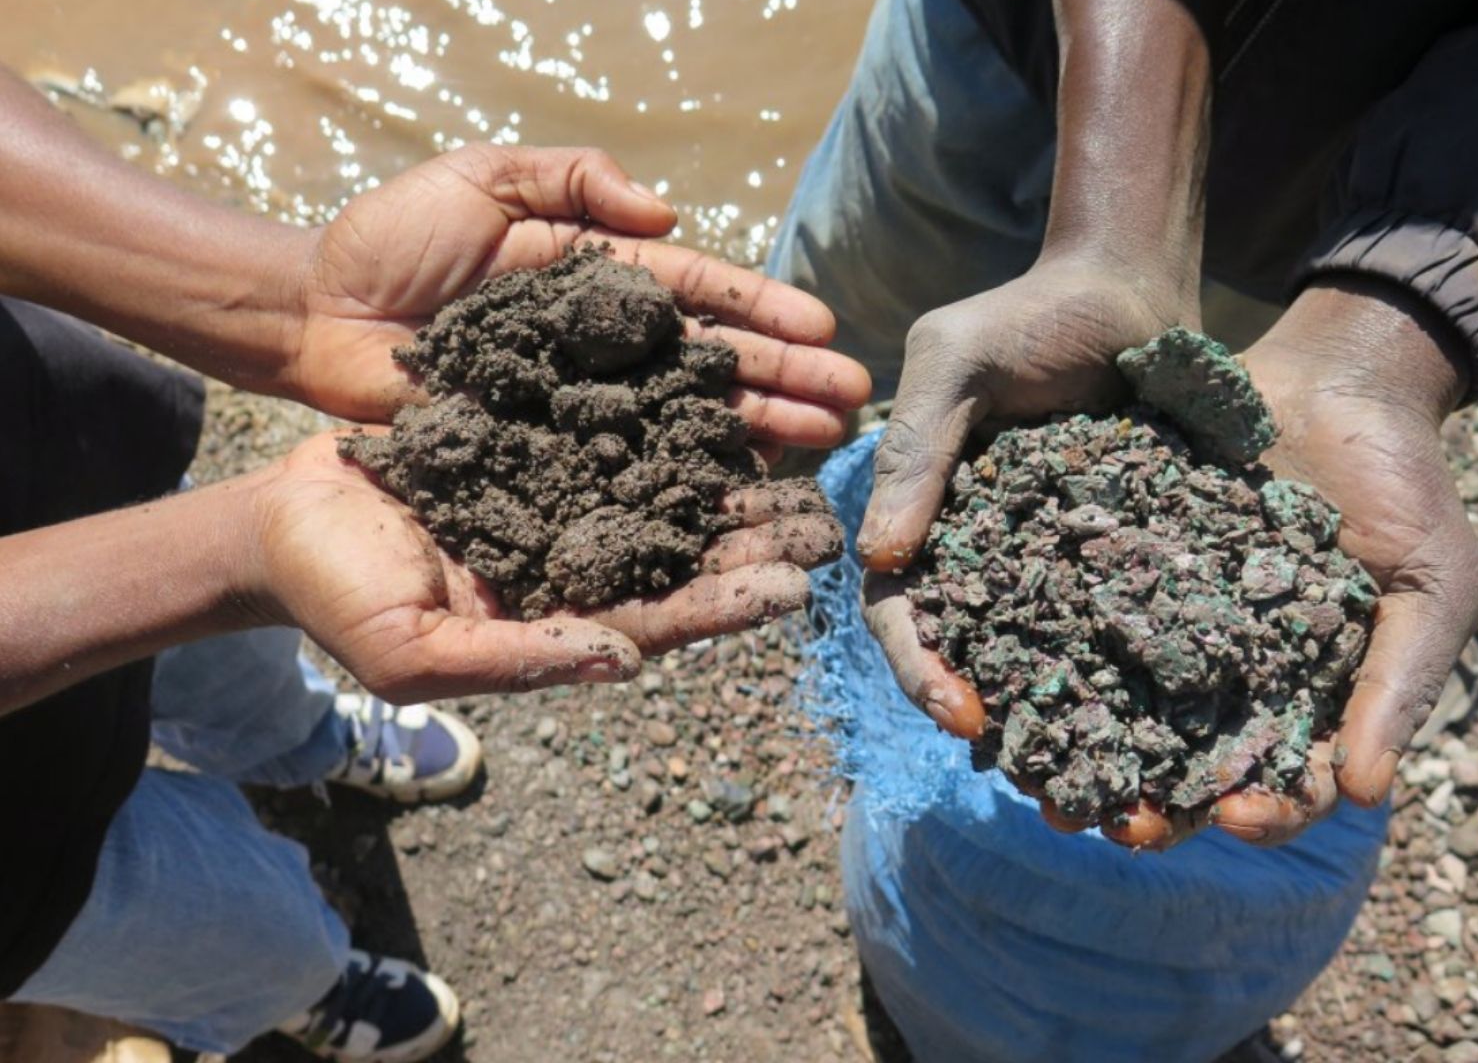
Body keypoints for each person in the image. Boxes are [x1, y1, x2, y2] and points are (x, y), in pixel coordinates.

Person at [769, 0, 1478, 1057]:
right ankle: (781, 533)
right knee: (829, 347)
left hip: (1359, 175)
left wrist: (1405, 322)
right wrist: (1115, 232)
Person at [0, 66, 870, 1061]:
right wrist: (235, 551)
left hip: (46, 454)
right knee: (211, 927)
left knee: (236, 677)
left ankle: (307, 742)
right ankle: (308, 989)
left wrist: (298, 297)